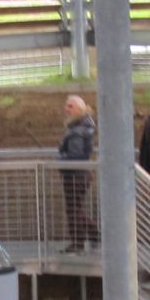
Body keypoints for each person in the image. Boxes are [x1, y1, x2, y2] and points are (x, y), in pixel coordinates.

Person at [56, 94, 96, 252]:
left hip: (75, 174)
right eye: (66, 106)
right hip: (79, 173)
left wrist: (60, 158)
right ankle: (92, 234)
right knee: (75, 208)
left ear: (79, 109)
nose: (66, 109)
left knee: (73, 210)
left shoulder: (77, 131)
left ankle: (79, 241)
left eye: (70, 106)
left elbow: (76, 154)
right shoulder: (81, 127)